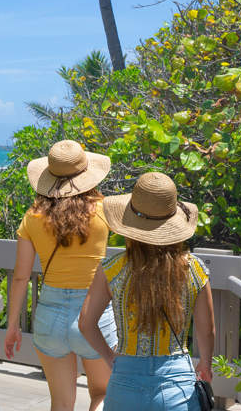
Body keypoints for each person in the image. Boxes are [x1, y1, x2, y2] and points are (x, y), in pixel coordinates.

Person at [80, 172, 215, 411]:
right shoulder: (194, 268)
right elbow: (207, 330)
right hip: (177, 387)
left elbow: (86, 323)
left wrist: (110, 357)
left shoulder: (112, 269)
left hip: (124, 383)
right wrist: (205, 362)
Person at [3, 140, 117, 411]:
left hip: (49, 316)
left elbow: (20, 277)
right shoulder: (105, 210)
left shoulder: (32, 217)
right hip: (96, 314)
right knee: (102, 394)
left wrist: (13, 326)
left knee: (61, 404)